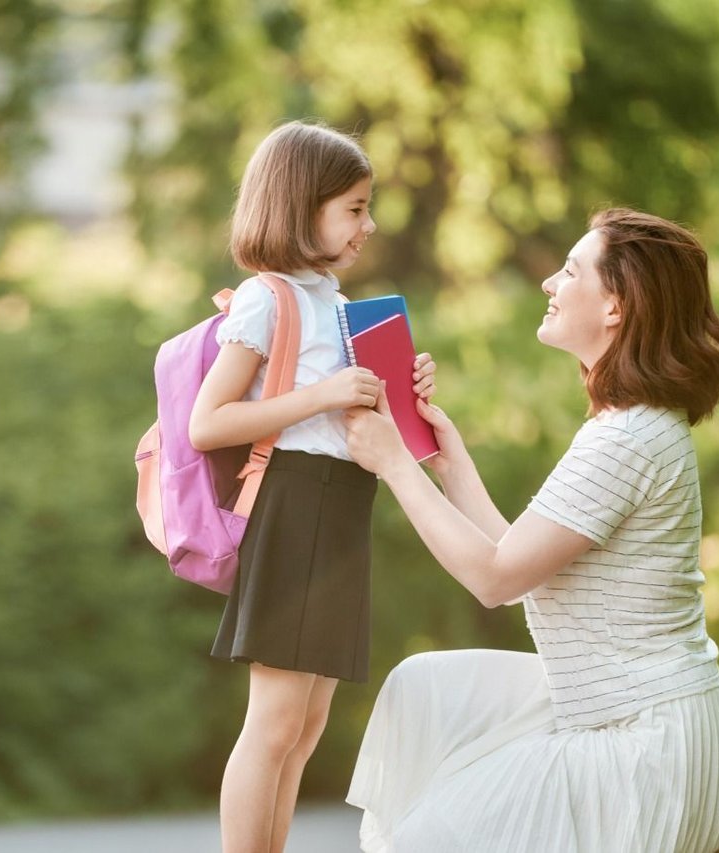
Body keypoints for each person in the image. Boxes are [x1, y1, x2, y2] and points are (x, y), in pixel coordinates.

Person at [342, 208, 719, 852]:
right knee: (422, 687)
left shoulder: (625, 438)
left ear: (615, 306)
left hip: (644, 747)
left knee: (430, 838)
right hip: (667, 726)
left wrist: (393, 461)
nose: (548, 284)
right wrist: (448, 462)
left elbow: (494, 580)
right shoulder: (633, 427)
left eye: (569, 270)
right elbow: (522, 560)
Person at [188, 120, 436, 853]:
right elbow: (210, 421)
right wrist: (323, 394)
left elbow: (359, 418)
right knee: (273, 721)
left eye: (367, 207)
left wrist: (406, 392)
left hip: (342, 505)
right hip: (295, 503)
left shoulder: (336, 303)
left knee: (307, 724)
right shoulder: (269, 300)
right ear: (302, 208)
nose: (369, 224)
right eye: (355, 208)